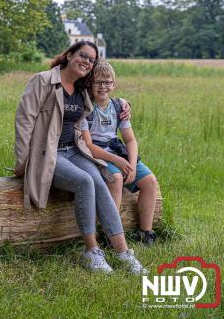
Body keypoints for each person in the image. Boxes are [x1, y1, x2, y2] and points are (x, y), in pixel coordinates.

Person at [14, 41, 148, 273]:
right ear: (69, 55)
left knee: (99, 182)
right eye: (82, 56)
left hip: (75, 150)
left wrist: (125, 104)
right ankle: (92, 251)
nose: (86, 61)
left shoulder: (80, 88)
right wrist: (23, 161)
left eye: (91, 60)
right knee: (84, 181)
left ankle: (123, 252)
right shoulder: (43, 80)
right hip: (49, 154)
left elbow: (105, 95)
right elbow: (24, 121)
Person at [80, 61, 158, 247]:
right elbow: (88, 145)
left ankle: (145, 231)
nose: (103, 86)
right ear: (90, 83)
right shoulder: (87, 109)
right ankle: (111, 233)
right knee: (115, 178)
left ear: (114, 85)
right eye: (98, 82)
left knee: (150, 181)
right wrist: (117, 161)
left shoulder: (118, 107)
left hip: (116, 149)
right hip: (97, 153)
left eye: (108, 82)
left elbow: (130, 140)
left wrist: (130, 163)